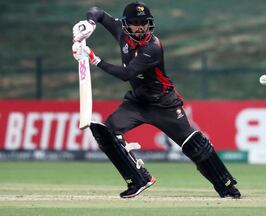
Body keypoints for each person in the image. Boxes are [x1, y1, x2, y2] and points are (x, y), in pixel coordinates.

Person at [72, 2, 241, 199]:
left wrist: (93, 58)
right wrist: (89, 24)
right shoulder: (121, 32)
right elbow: (97, 12)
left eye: (144, 22)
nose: (141, 26)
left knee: (195, 147)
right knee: (104, 133)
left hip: (164, 104)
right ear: (126, 24)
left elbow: (127, 73)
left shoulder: (153, 47)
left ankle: (227, 187)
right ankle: (138, 179)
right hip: (137, 103)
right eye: (135, 22)